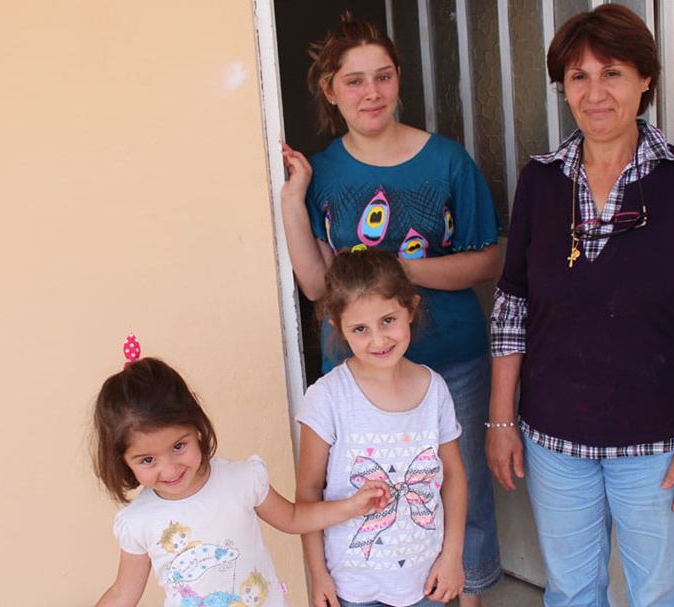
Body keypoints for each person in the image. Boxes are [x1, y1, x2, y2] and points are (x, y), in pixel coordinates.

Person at [485, 5, 674, 606]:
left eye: (612, 73)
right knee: (572, 591)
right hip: (554, 443)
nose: (595, 93)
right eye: (578, 77)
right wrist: (502, 421)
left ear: (645, 81)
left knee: (659, 594)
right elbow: (513, 310)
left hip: (659, 446)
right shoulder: (542, 180)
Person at [281, 14, 502, 604]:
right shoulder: (324, 172)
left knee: (462, 482)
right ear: (329, 91)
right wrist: (292, 200)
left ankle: (466, 591)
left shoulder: (448, 162)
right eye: (353, 81)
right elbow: (314, 284)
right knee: (362, 488)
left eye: (382, 76)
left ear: (400, 79)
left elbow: (489, 260)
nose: (370, 92)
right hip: (355, 370)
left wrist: (391, 275)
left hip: (451, 358)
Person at [91, 348, 390, 607]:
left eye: (179, 446)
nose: (169, 469)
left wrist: (352, 506)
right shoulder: (138, 521)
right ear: (122, 460)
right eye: (147, 460)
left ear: (196, 427)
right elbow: (122, 593)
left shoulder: (242, 480)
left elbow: (295, 517)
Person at [296, 248, 468, 607]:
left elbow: (453, 476)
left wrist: (452, 556)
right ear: (336, 325)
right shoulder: (327, 397)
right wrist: (318, 575)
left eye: (388, 320)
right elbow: (308, 493)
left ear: (411, 308)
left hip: (426, 578)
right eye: (360, 329)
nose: (378, 340)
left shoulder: (434, 388)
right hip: (352, 584)